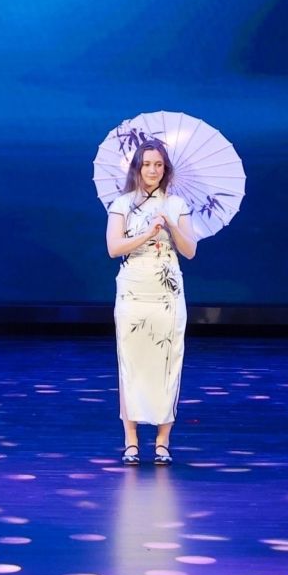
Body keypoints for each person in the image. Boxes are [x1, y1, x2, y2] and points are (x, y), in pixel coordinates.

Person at [105, 138, 197, 465]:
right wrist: (146, 233)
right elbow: (113, 248)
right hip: (134, 289)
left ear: (165, 168)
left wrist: (170, 224)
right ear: (137, 168)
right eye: (147, 164)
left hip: (166, 291)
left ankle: (162, 442)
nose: (152, 170)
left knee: (167, 362)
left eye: (158, 164)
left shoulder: (177, 204)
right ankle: (131, 441)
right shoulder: (122, 204)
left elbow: (190, 251)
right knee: (131, 362)